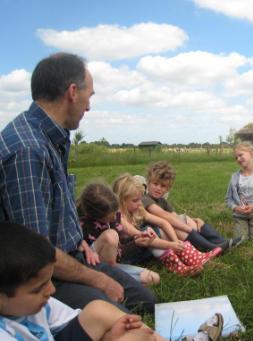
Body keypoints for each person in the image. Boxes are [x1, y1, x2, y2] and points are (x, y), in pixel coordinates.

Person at [0, 53, 156, 313]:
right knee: (120, 322)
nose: (89, 107)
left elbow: (57, 210)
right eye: (90, 96)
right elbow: (36, 255)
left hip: (73, 256)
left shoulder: (50, 138)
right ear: (73, 91)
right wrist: (98, 280)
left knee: (146, 302)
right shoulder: (28, 150)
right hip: (45, 278)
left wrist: (79, 240)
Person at [0, 221, 164, 341]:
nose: (51, 290)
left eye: (48, 281)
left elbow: (79, 325)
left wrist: (110, 337)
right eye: (37, 289)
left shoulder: (36, 306)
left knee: (99, 309)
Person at [113, 173, 221, 276]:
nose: (140, 203)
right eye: (135, 200)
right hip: (128, 257)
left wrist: (175, 241)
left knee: (155, 230)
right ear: (122, 200)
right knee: (148, 232)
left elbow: (163, 222)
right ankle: (178, 267)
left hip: (145, 247)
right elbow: (142, 237)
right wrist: (171, 245)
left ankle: (191, 257)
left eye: (140, 199)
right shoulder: (119, 218)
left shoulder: (138, 209)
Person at [142, 161, 243, 252]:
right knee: (180, 227)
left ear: (168, 188)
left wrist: (194, 220)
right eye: (155, 184)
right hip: (152, 237)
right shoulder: (145, 199)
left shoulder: (162, 201)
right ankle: (211, 248)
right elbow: (165, 216)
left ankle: (223, 242)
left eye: (163, 186)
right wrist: (189, 229)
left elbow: (175, 216)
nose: (158, 188)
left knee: (189, 221)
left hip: (164, 231)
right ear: (148, 182)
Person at [78, 182, 160, 285]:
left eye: (115, 213)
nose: (114, 218)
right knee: (111, 235)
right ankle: (110, 281)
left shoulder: (113, 216)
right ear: (95, 216)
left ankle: (116, 281)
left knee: (153, 278)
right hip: (93, 267)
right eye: (109, 217)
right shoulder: (82, 225)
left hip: (114, 265)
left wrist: (136, 241)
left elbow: (120, 249)